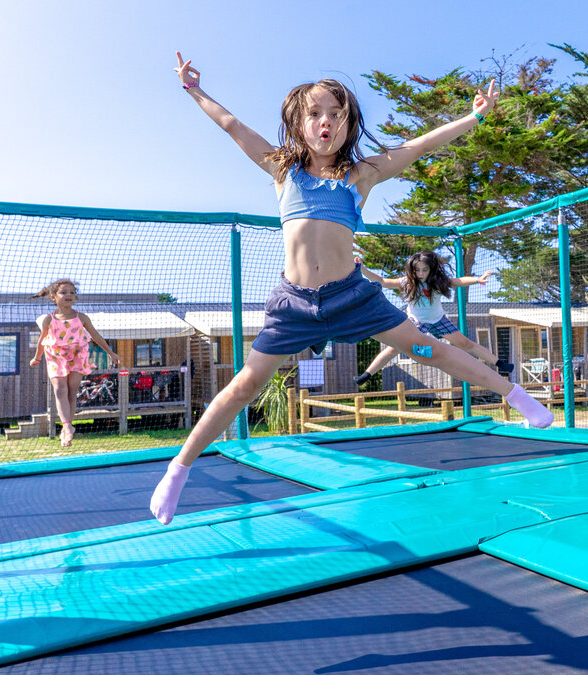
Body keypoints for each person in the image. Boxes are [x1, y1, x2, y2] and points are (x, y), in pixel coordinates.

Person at [150, 55, 554, 524]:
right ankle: (178, 470)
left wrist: (474, 117)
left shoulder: (360, 175)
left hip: (350, 295)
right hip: (294, 303)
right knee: (245, 385)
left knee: (430, 348)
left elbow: (419, 146)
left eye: (338, 115)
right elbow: (231, 125)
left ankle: (515, 396)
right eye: (316, 114)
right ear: (298, 124)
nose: (327, 123)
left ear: (348, 125)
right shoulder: (283, 169)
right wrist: (194, 90)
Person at [353, 251, 512, 386]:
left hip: (438, 320)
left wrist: (477, 279)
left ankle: (500, 363)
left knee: (465, 343)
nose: (421, 274)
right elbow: (381, 281)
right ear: (412, 270)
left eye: (425, 270)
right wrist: (363, 269)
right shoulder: (406, 282)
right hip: (416, 321)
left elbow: (458, 281)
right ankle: (367, 375)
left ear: (431, 270)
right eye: (417, 270)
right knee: (394, 348)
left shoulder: (437, 282)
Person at [28, 279, 121, 446]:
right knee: (59, 389)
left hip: (77, 356)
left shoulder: (82, 317)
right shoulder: (48, 320)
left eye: (72, 292)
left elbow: (96, 336)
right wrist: (37, 357)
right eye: (63, 292)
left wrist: (111, 352)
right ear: (53, 297)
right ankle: (66, 426)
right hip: (56, 357)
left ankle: (67, 427)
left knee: (72, 392)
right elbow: (43, 339)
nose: (68, 295)